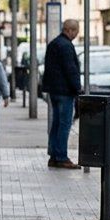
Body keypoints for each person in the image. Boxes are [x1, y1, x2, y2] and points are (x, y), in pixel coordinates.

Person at [41, 18, 82, 169]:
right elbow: (70, 70)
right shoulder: (66, 46)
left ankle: (53, 155)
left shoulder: (54, 43)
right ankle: (61, 156)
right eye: (76, 31)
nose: (76, 35)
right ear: (70, 30)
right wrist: (78, 88)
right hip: (65, 91)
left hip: (54, 90)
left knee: (57, 123)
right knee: (64, 124)